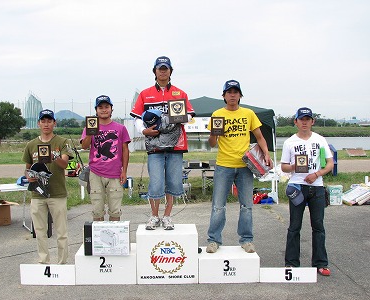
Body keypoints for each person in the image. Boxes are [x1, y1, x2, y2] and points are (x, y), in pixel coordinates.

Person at [206, 80, 272, 253]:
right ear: (224, 96)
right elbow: (212, 144)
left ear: (240, 95)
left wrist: (266, 153)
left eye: (236, 92)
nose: (233, 95)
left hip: (245, 166)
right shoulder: (217, 114)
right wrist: (213, 133)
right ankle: (214, 240)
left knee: (247, 206)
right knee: (218, 206)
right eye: (229, 92)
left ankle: (246, 240)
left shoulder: (248, 114)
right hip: (223, 165)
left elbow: (260, 137)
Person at [130, 55, 195, 230]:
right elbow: (137, 118)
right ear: (155, 71)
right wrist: (143, 130)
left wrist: (176, 119)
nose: (163, 71)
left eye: (166, 68)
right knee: (156, 182)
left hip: (175, 145)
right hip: (155, 146)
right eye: (160, 68)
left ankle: (167, 216)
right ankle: (154, 216)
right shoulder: (145, 94)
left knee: (173, 182)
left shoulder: (180, 93)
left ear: (170, 71)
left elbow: (189, 115)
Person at [281, 107, 334, 276]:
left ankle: (320, 263)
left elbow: (330, 164)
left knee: (318, 226)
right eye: (301, 119)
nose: (304, 122)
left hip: (317, 187)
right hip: (297, 187)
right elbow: (283, 167)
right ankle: (291, 263)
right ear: (295, 121)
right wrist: (294, 166)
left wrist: (316, 174)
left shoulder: (320, 140)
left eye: (307, 119)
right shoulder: (290, 142)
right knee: (294, 226)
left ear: (313, 121)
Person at [23, 109, 73, 264]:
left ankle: (62, 262)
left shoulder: (63, 142)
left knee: (61, 231)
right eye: (43, 121)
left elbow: (65, 164)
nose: (46, 124)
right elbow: (27, 168)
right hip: (38, 194)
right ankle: (43, 261)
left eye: (49, 121)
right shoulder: (31, 145)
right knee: (39, 230)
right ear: (38, 123)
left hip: (57, 193)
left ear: (54, 123)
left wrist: (55, 156)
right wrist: (29, 177)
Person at [80, 95, 130, 221]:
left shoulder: (120, 128)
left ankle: (115, 238)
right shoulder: (89, 126)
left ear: (111, 109)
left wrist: (124, 171)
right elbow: (85, 146)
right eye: (100, 107)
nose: (104, 110)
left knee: (115, 210)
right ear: (96, 110)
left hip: (115, 173)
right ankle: (99, 239)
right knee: (97, 210)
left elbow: (125, 150)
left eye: (106, 107)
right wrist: (90, 133)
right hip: (95, 172)